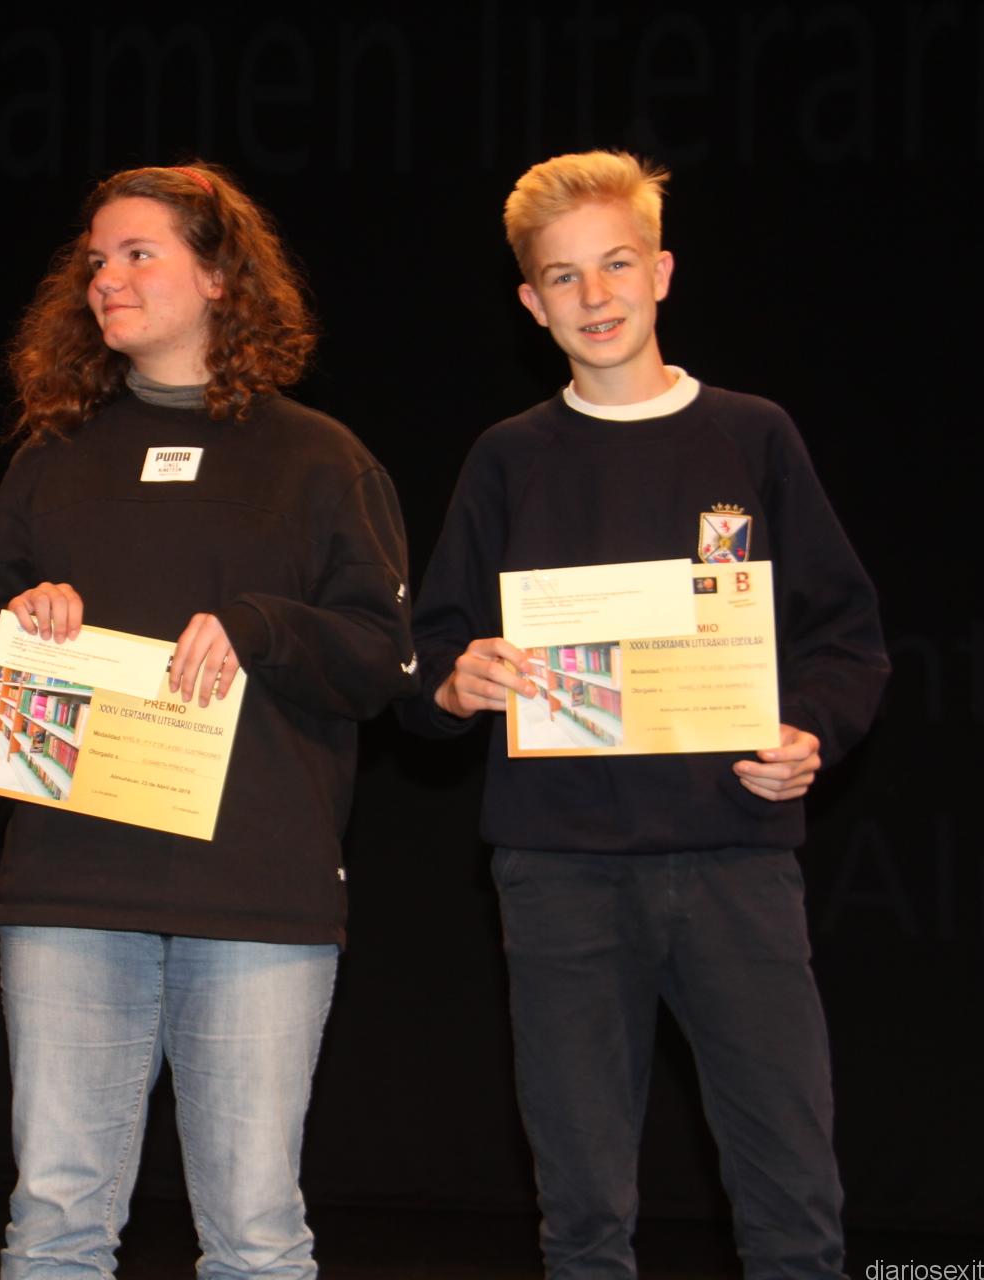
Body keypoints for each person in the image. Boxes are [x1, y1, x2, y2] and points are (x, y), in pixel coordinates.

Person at [403, 151, 888, 1277]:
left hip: (736, 859)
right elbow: (430, 655)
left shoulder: (752, 437)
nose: (596, 295)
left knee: (793, 1199)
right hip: (559, 870)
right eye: (563, 277)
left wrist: (810, 730)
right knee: (582, 1211)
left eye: (617, 264)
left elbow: (846, 637)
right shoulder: (508, 458)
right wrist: (456, 683)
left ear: (662, 271)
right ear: (531, 303)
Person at [0, 161, 414, 1279]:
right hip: (70, 885)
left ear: (218, 276)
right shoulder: (50, 461)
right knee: (54, 1224)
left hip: (256, 896)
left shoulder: (321, 459)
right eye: (95, 261)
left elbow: (382, 658)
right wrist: (25, 623)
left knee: (255, 1232)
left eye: (138, 253)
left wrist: (265, 626)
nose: (106, 279)